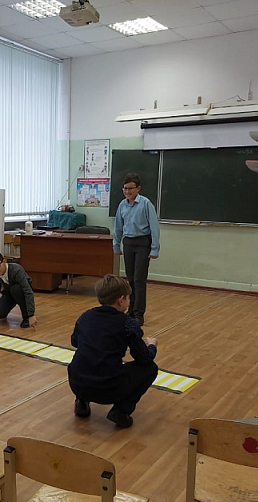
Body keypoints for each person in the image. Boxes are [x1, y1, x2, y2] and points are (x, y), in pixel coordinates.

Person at [68, 274, 158, 428]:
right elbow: (143, 358)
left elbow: (74, 342)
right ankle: (121, 411)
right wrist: (152, 346)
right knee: (150, 369)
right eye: (128, 298)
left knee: (85, 361)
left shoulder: (86, 316)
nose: (129, 302)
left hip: (77, 382)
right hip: (108, 388)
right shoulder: (128, 323)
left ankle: (81, 401)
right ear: (121, 300)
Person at [113, 173, 160, 326]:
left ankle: (139, 314)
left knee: (139, 280)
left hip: (142, 243)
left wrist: (154, 249)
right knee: (131, 279)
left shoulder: (146, 204)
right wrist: (116, 244)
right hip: (128, 243)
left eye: (130, 188)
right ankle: (131, 310)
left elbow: (154, 227)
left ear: (138, 189)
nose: (127, 191)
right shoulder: (122, 205)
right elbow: (118, 227)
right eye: (125, 189)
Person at [0, 250, 38, 329]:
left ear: (4, 261)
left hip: (20, 291)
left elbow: (28, 291)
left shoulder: (16, 270)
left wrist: (31, 314)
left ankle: (26, 317)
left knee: (15, 289)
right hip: (9, 292)